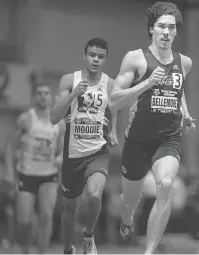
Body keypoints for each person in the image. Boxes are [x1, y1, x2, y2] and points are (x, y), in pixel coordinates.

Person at [108, 2, 196, 254]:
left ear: (176, 32)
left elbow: (178, 93)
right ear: (151, 29)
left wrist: (186, 114)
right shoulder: (135, 59)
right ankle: (127, 218)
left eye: (171, 27)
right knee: (130, 200)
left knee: (166, 184)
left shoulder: (184, 63)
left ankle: (148, 251)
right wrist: (147, 84)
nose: (166, 32)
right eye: (161, 27)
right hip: (137, 140)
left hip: (168, 138)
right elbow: (115, 100)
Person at [51, 37, 118, 255]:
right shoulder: (69, 80)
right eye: (92, 55)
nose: (95, 60)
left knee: (95, 195)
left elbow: (115, 108)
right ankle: (67, 248)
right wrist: (73, 94)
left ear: (105, 59)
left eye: (100, 57)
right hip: (73, 153)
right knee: (70, 207)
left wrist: (114, 130)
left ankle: (89, 236)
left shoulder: (110, 84)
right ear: (85, 56)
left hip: (99, 151)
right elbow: (53, 117)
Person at [4, 84, 64, 254]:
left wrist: (60, 157)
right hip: (26, 173)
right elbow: (9, 145)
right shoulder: (25, 119)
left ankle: (42, 252)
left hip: (49, 174)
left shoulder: (58, 121)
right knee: (24, 219)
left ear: (50, 97)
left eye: (46, 93)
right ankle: (25, 249)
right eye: (39, 93)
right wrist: (9, 170)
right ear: (34, 97)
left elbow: (63, 148)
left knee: (46, 215)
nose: (43, 96)